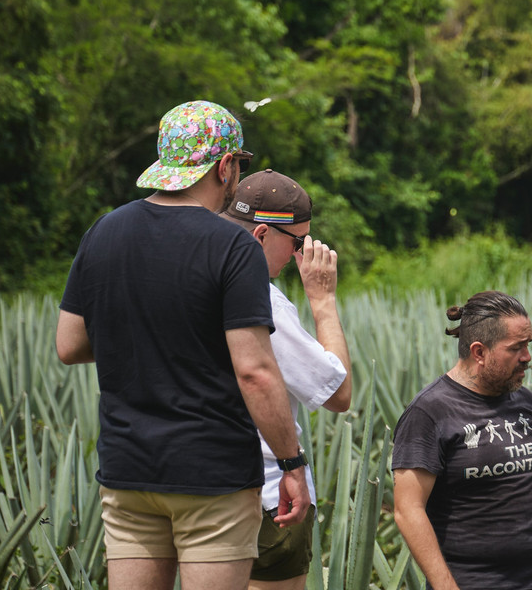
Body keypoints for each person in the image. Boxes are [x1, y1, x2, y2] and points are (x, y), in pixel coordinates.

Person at [55, 100, 311, 590]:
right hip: (212, 477)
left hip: (127, 471)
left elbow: (69, 344)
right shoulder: (233, 247)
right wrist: (291, 464)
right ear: (225, 166)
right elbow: (254, 371)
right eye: (238, 165)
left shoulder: (103, 232)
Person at [392, 291, 532, 590]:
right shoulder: (430, 412)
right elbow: (408, 510)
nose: (527, 357)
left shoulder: (524, 400)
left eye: (528, 345)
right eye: (516, 348)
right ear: (479, 352)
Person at [220, 169, 353, 590]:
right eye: (297, 242)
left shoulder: (192, 276)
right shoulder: (263, 298)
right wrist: (323, 300)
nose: (302, 254)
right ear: (261, 235)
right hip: (270, 495)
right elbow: (338, 393)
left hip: (196, 487)